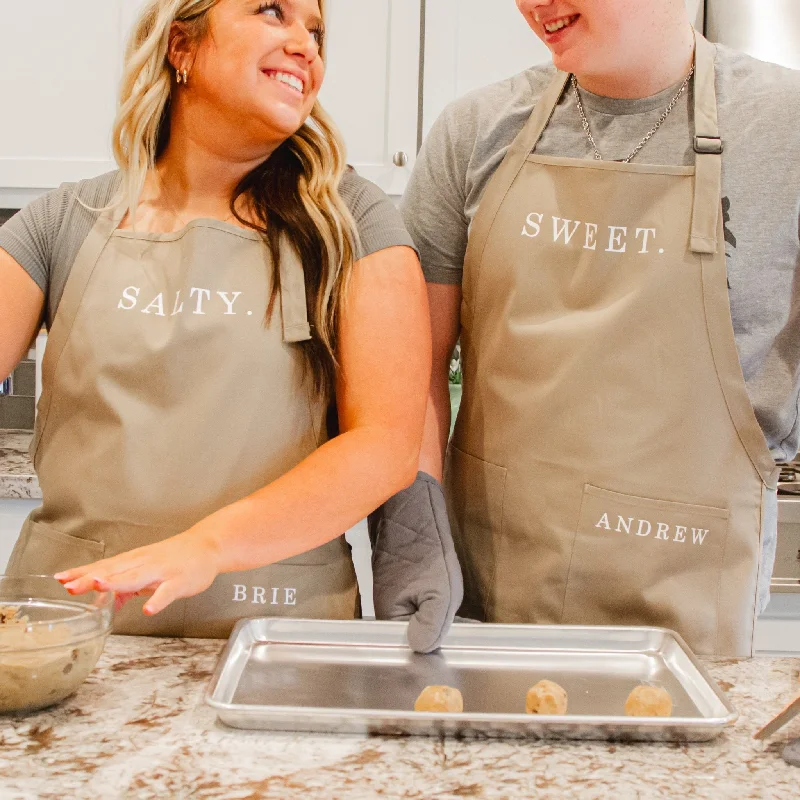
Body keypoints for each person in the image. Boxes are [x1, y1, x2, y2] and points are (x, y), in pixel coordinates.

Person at [0, 0, 443, 646]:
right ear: (182, 45)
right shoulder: (62, 222)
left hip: (276, 642)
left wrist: (207, 546)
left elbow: (386, 446)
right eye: (273, 12)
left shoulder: (356, 226)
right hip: (65, 647)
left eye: (315, 32)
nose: (306, 46)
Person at [372, 0, 800, 657]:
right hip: (494, 606)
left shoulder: (786, 130)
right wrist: (415, 529)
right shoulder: (476, 130)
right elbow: (414, 373)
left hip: (689, 617)